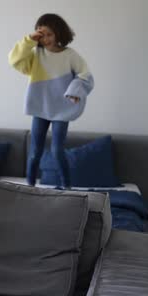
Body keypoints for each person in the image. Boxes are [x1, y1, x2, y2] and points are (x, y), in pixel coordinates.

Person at [8, 13, 94, 189]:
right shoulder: (36, 55)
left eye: (50, 34)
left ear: (59, 33)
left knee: (57, 150)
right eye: (42, 34)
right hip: (41, 107)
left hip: (62, 109)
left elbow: (85, 76)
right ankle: (29, 187)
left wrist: (75, 89)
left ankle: (66, 187)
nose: (46, 39)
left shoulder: (70, 55)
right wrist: (28, 40)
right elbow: (14, 60)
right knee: (35, 152)